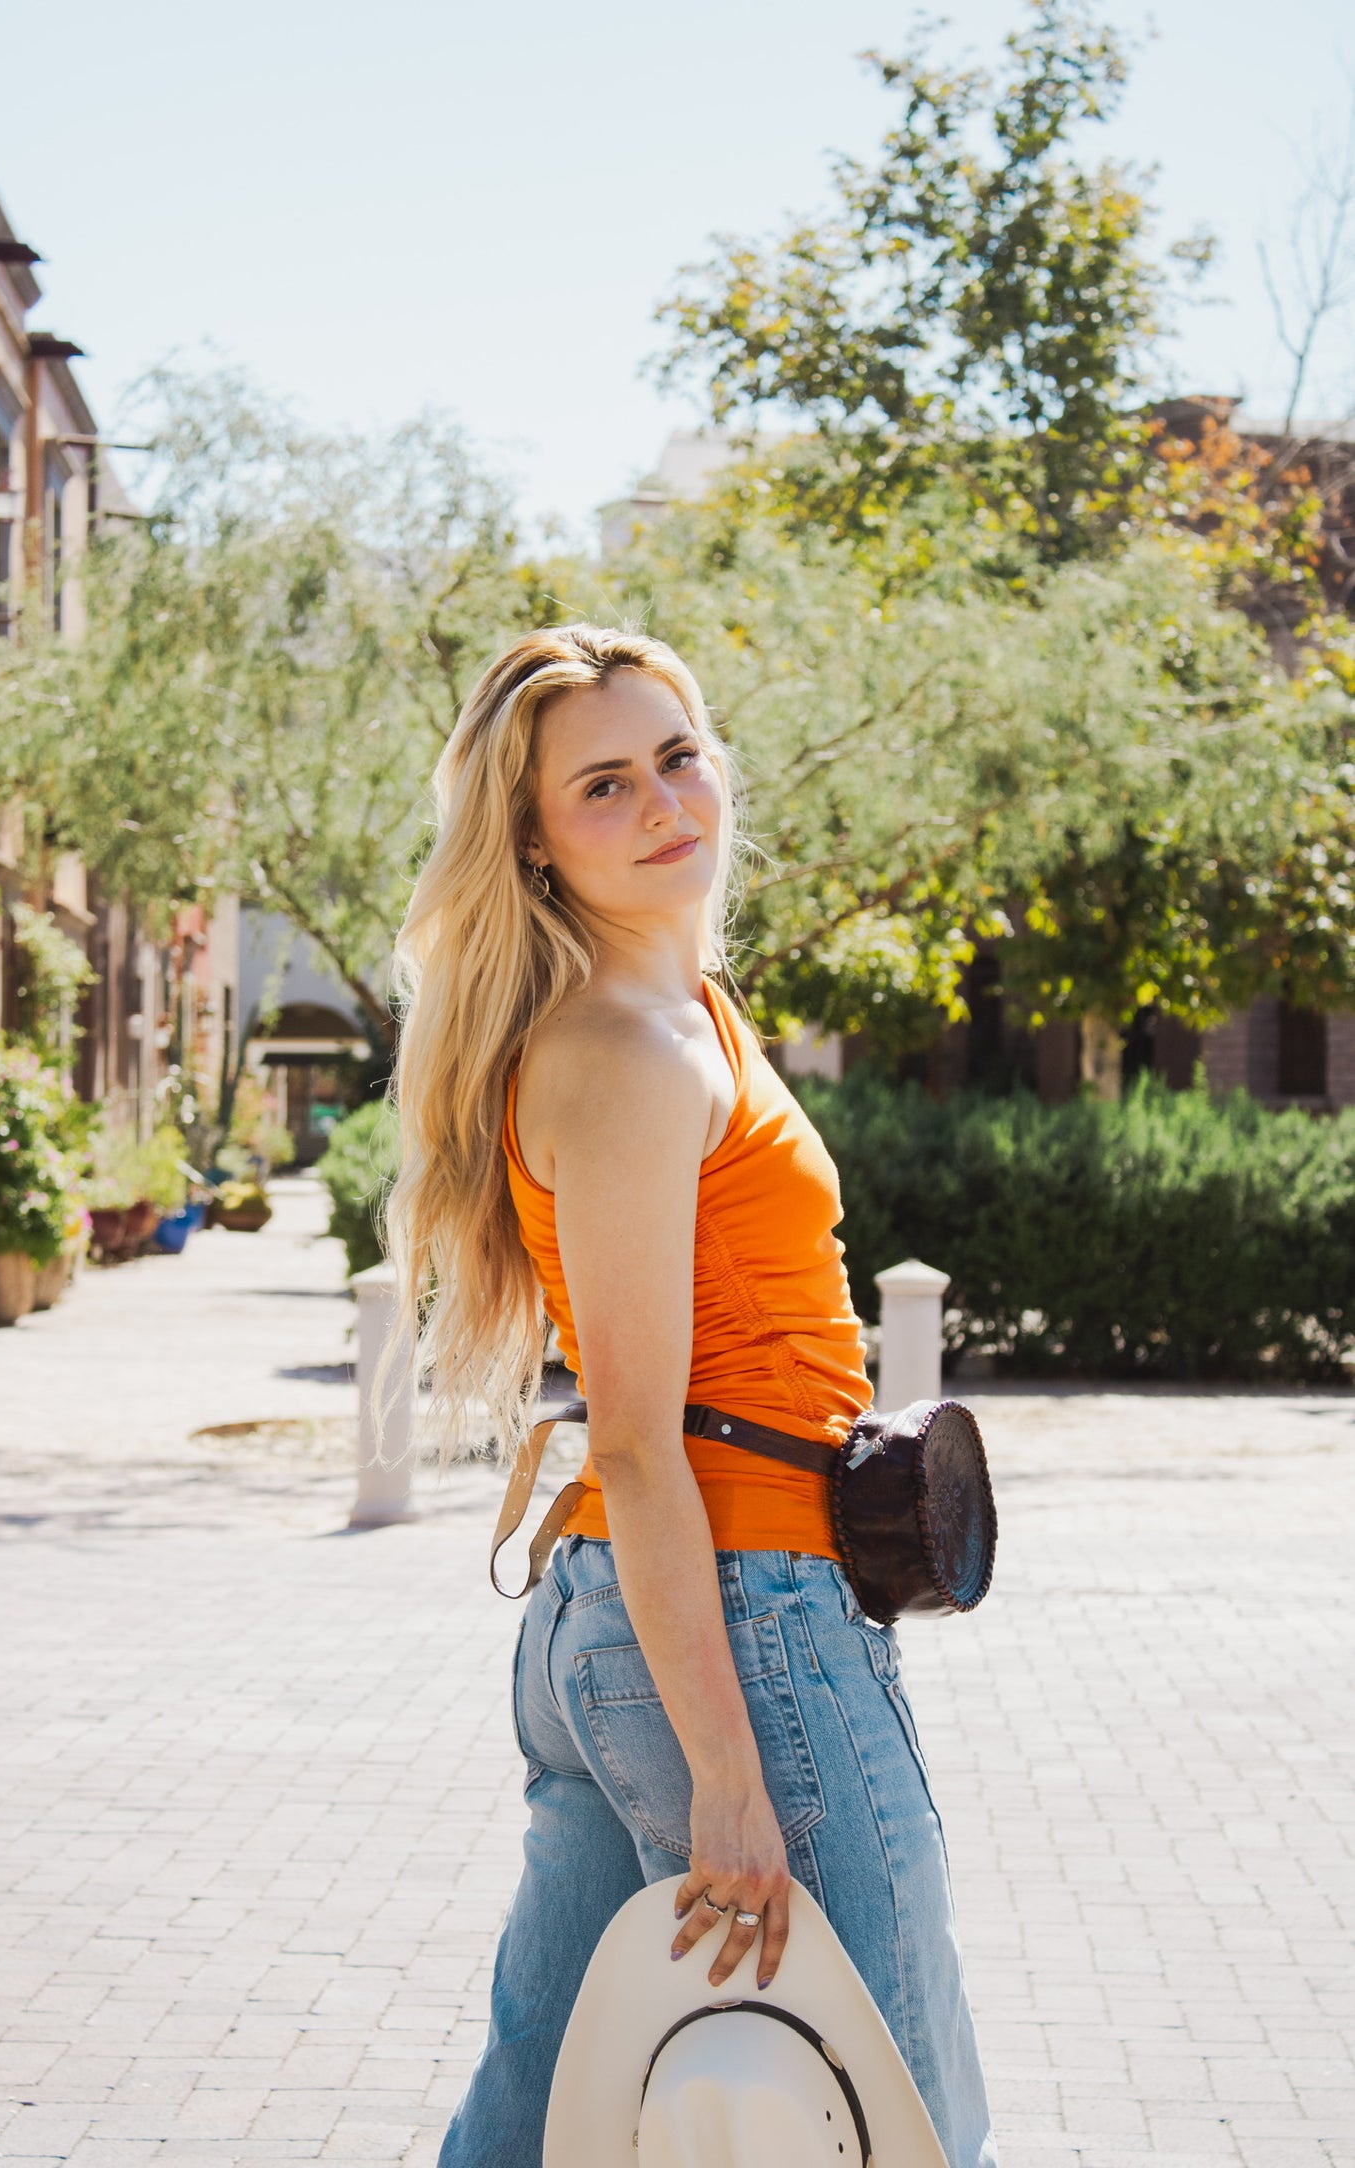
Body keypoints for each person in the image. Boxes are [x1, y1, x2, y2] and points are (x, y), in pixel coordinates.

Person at [387, 625, 996, 2168]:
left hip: (654, 1620)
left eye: (677, 755)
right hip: (737, 1622)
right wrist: (730, 1777)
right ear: (531, 841)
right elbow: (642, 1445)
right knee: (905, 2105)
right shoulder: (626, 1050)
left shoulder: (685, 1014)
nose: (663, 799)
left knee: (534, 2118)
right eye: (603, 784)